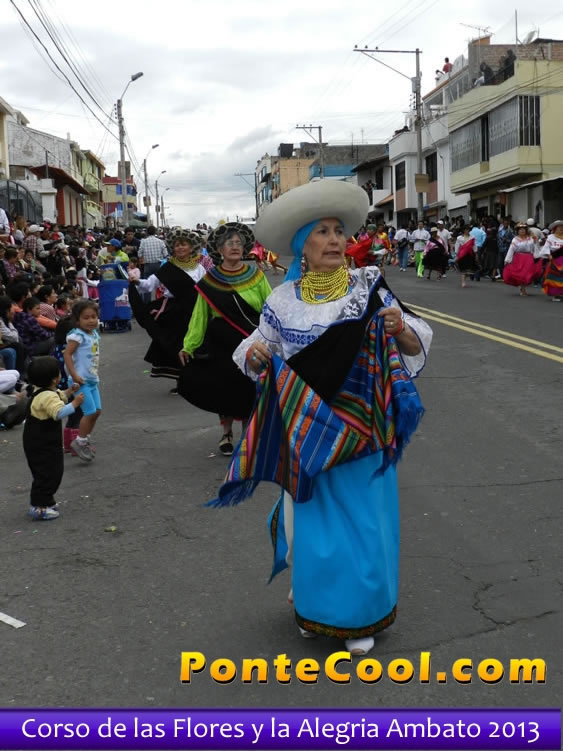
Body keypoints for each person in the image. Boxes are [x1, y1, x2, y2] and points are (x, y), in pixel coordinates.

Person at [211, 180, 432, 656]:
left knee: (362, 524)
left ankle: (360, 615)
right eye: (322, 232)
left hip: (363, 428)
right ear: (302, 246)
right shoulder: (282, 300)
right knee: (310, 525)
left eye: (338, 231)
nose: (334, 240)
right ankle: (315, 607)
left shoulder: (368, 286)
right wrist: (256, 356)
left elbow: (415, 339)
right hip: (308, 427)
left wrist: (398, 327)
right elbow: (254, 347)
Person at [178, 222, 272, 456]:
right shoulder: (210, 280)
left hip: (250, 339)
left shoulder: (256, 275)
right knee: (224, 387)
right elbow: (200, 316)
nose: (235, 246)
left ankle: (248, 434)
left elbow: (271, 308)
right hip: (221, 342)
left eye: (238, 243)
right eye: (229, 243)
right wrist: (189, 345)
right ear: (219, 249)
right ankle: (227, 433)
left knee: (249, 386)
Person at [129, 231, 213, 388]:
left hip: (194, 310)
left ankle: (194, 377)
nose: (180, 247)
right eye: (177, 245)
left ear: (191, 248)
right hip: (174, 312)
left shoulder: (199, 268)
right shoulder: (167, 267)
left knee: (196, 342)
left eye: (183, 244)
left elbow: (206, 289)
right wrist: (137, 281)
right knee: (176, 344)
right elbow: (149, 285)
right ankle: (179, 380)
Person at [23, 356, 84, 521]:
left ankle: (45, 501)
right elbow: (58, 412)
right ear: (54, 379)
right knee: (48, 473)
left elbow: (58, 397)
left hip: (39, 441)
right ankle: (39, 507)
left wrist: (69, 391)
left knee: (48, 471)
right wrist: (75, 404)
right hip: (42, 443)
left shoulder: (44, 391)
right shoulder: (47, 396)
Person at [63, 300, 101, 462]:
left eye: (94, 316)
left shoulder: (94, 333)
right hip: (79, 382)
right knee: (90, 412)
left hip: (92, 380)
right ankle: (80, 442)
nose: (91, 320)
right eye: (86, 318)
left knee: (97, 411)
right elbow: (67, 354)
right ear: (77, 320)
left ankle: (84, 439)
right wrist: (74, 375)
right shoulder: (77, 336)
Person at [503, 222, 541, 296]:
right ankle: (523, 289)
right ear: (517, 231)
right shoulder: (515, 239)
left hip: (529, 258)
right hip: (519, 258)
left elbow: (535, 247)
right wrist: (507, 260)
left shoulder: (530, 238)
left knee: (527, 273)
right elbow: (511, 249)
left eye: (524, 229)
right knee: (521, 274)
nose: (522, 231)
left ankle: (522, 286)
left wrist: (537, 256)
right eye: (520, 229)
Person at [541, 220, 563, 302]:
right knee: (555, 277)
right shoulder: (551, 237)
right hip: (555, 260)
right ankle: (555, 294)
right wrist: (548, 255)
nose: (561, 229)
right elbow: (546, 247)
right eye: (559, 227)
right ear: (555, 228)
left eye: (562, 227)